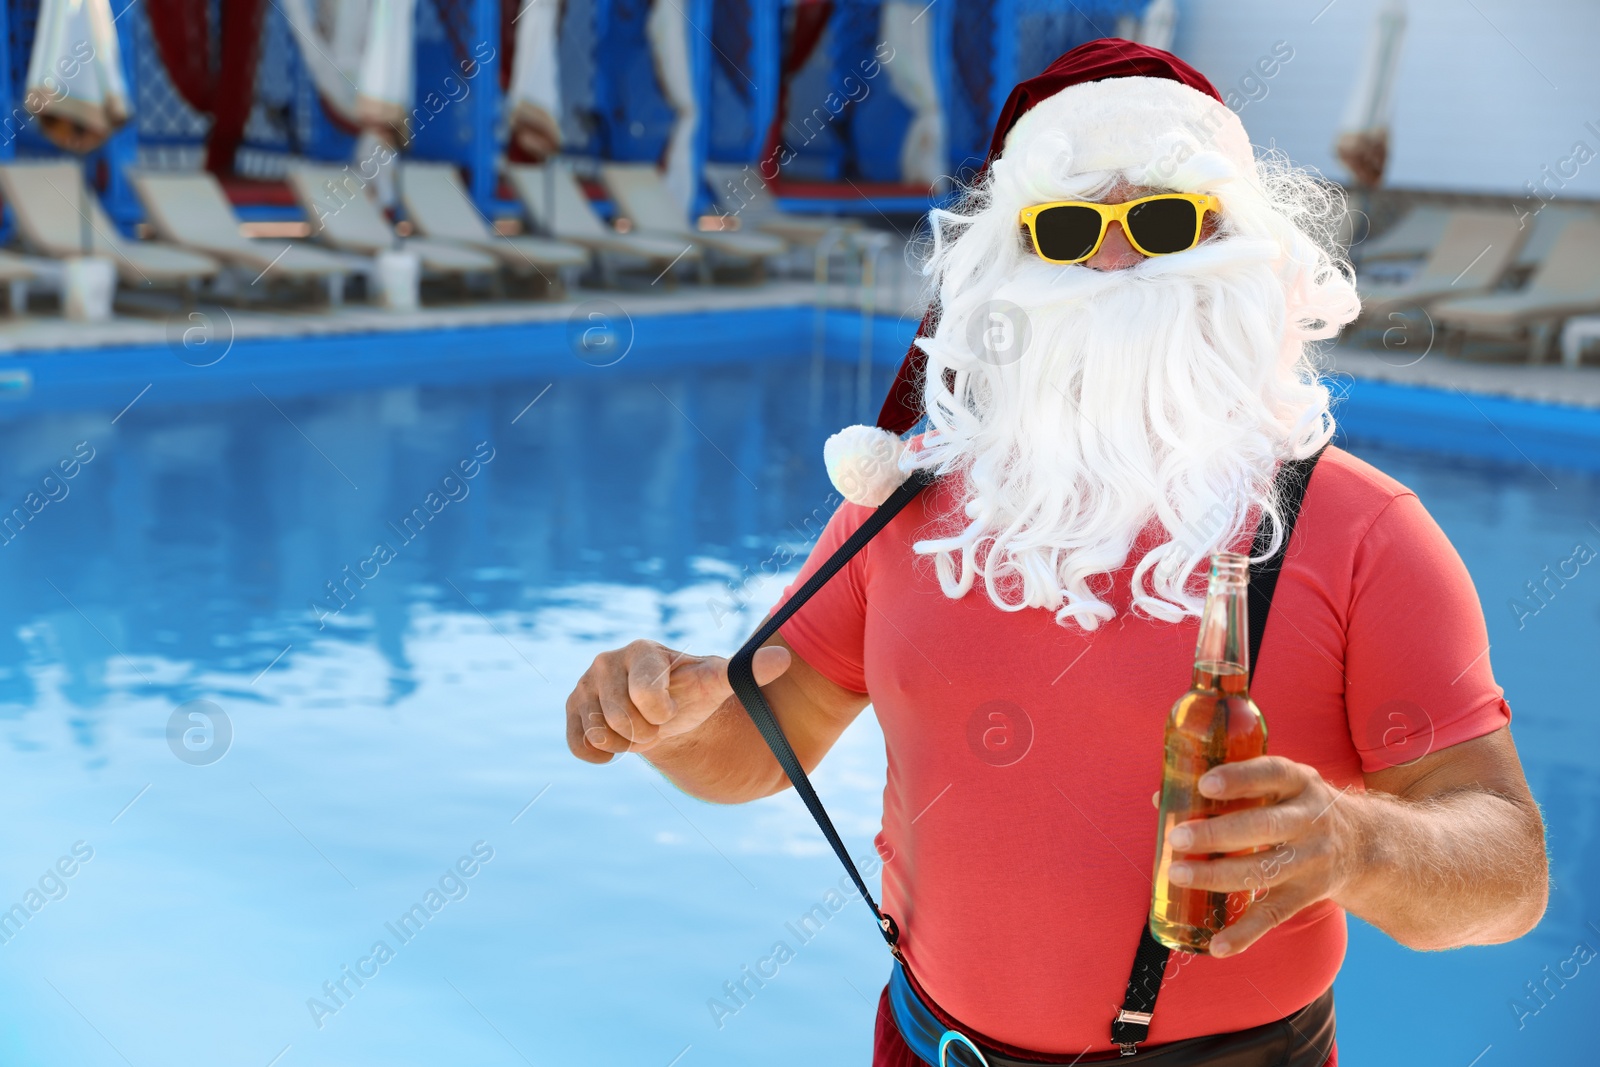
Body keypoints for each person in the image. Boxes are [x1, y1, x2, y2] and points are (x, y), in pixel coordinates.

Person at [564, 40, 1548, 1066]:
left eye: (1163, 222)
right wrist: (666, 720)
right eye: (1069, 228)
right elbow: (761, 747)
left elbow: (1509, 877)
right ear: (1005, 266)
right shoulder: (904, 497)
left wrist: (1360, 841)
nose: (1114, 262)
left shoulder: (1362, 532)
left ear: (1240, 249)